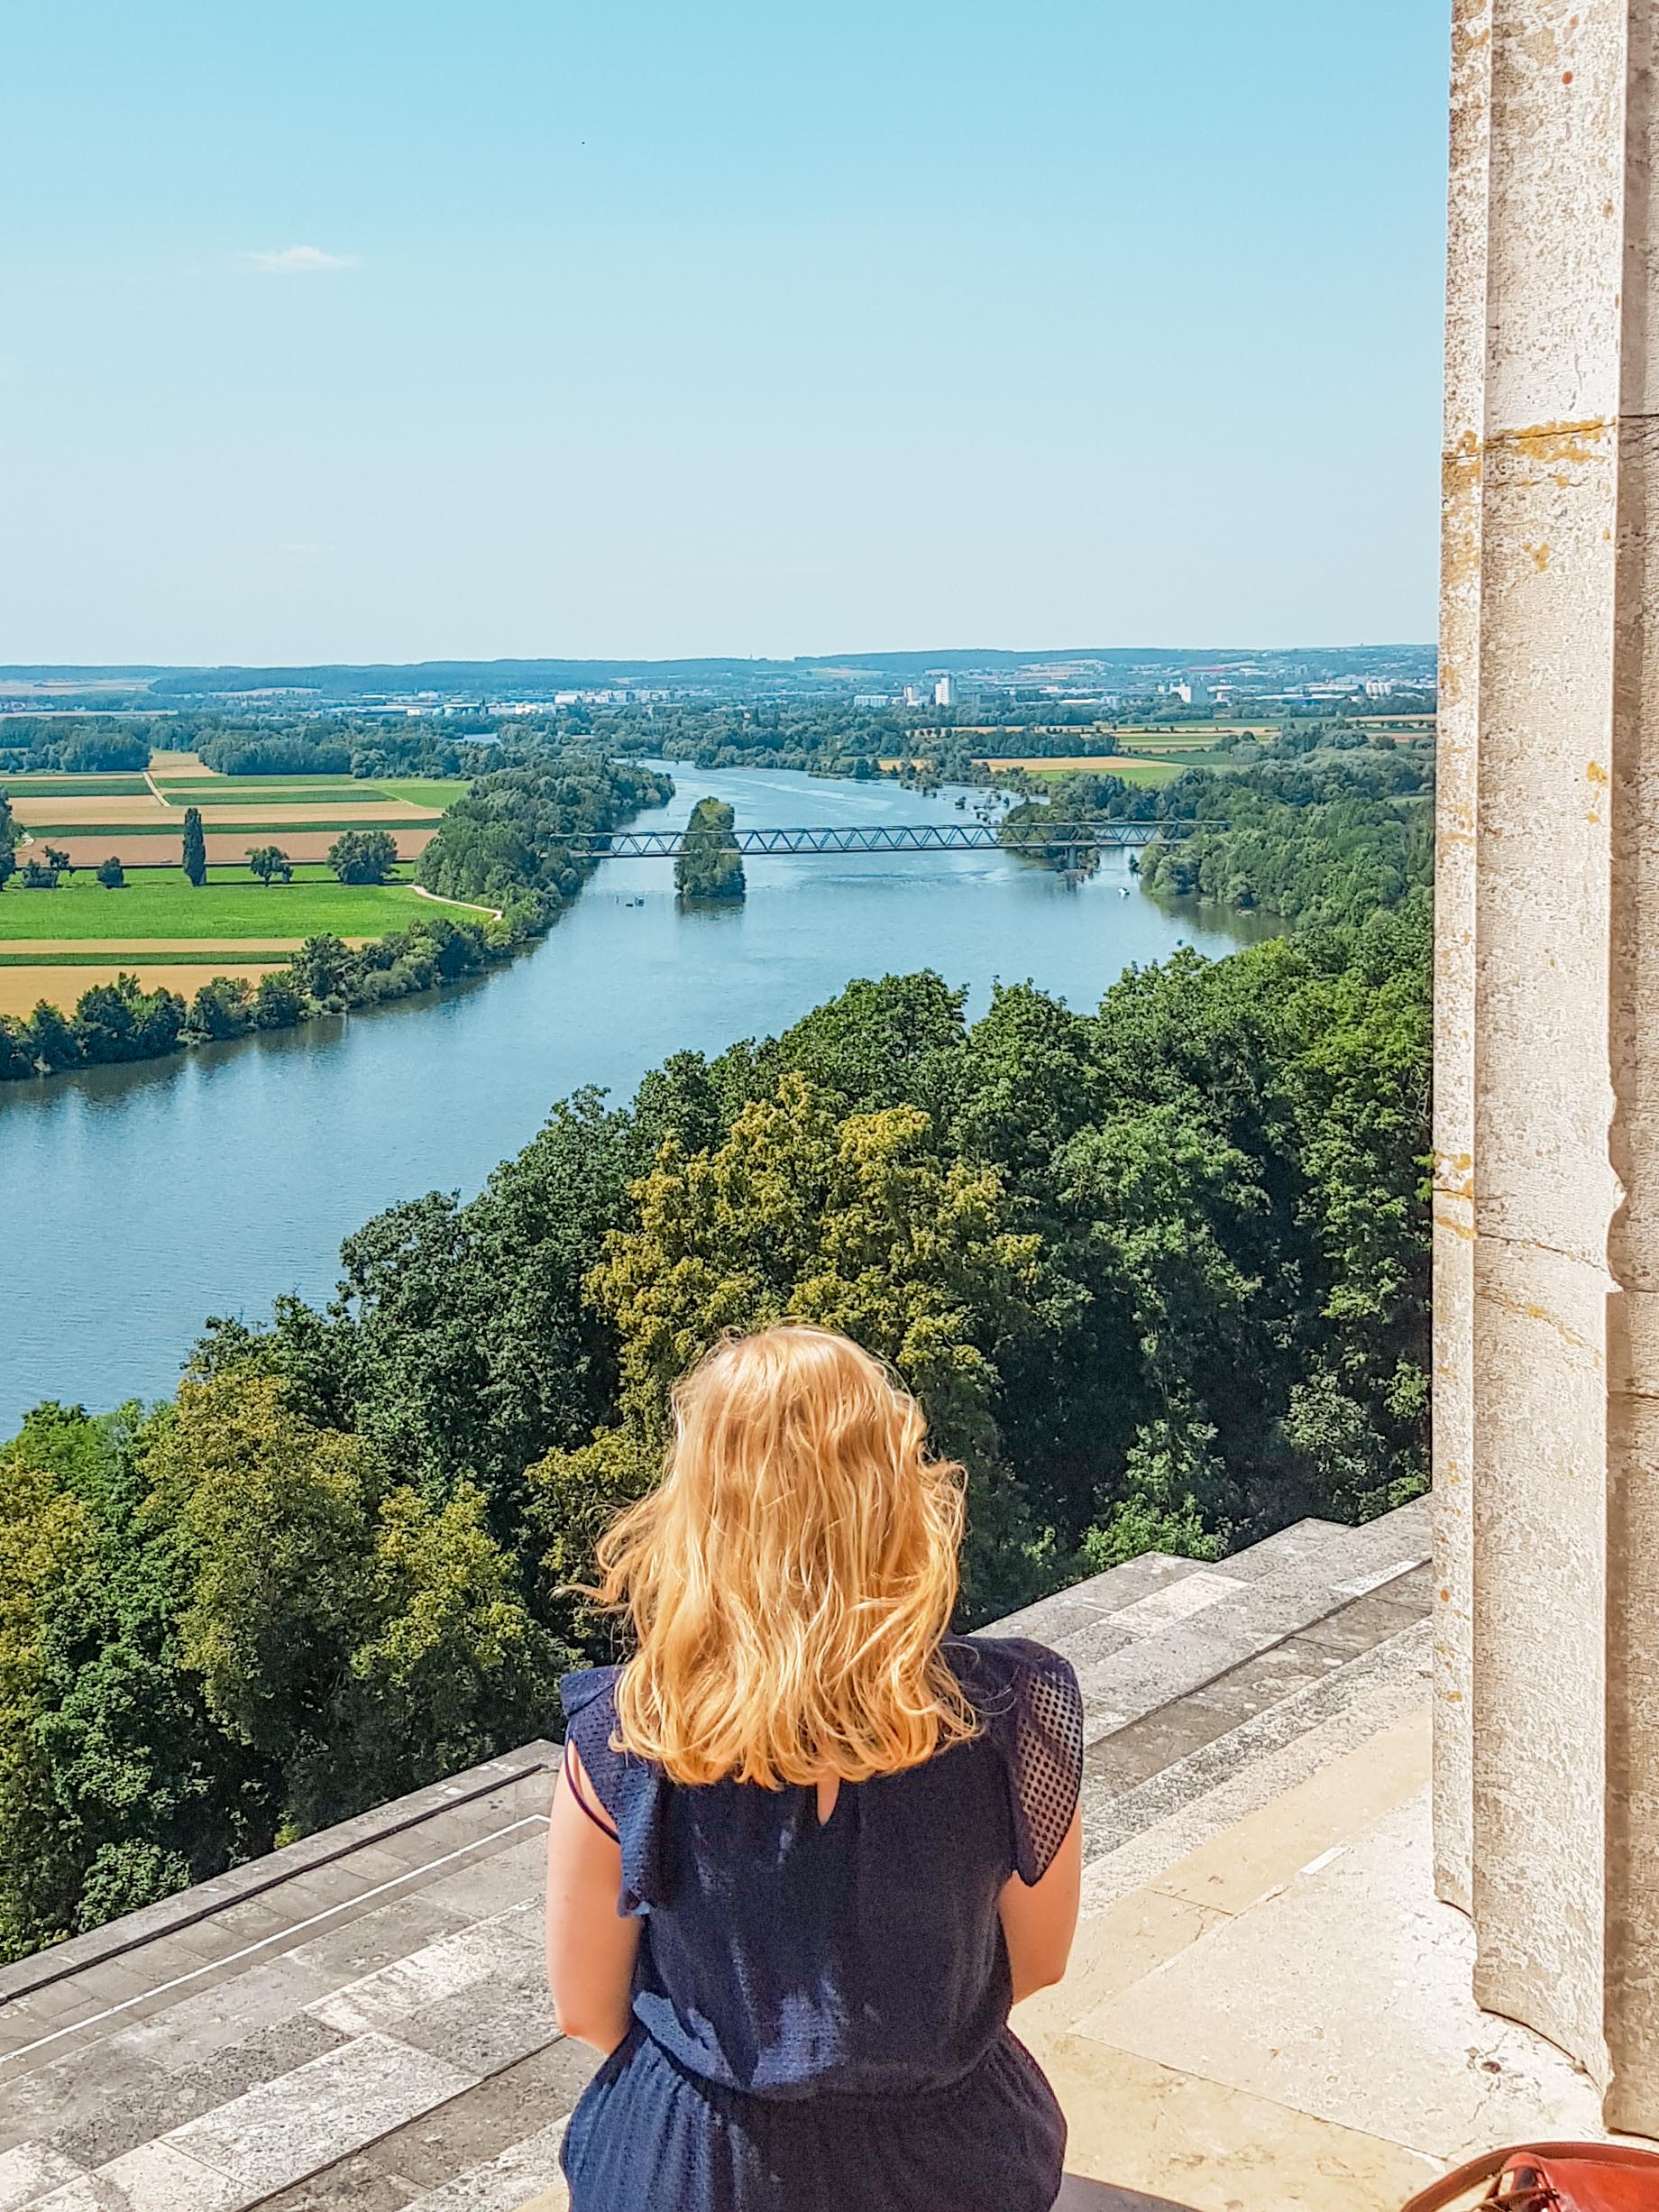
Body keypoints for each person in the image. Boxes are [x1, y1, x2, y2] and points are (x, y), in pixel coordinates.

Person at [545, 1324, 1084, 2212]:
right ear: (895, 1488)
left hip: (695, 2170)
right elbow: (1038, 1959)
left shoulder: (627, 1730)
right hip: (952, 2161)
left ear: (701, 1509)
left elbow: (585, 2008)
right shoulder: (1015, 1707)